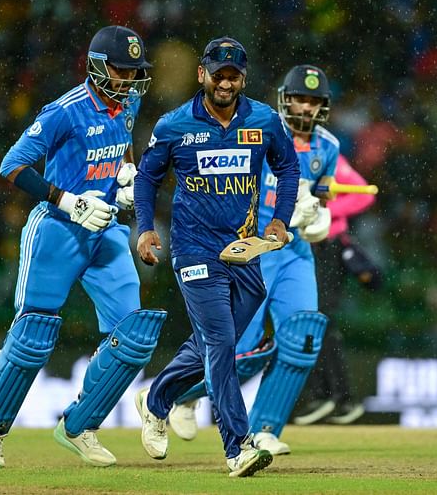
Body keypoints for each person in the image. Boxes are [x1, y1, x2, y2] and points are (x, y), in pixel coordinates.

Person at [0, 26, 168, 468]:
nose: (132, 79)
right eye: (123, 69)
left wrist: (127, 178)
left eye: (137, 70)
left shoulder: (129, 101)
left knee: (134, 335)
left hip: (106, 229)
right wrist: (67, 200)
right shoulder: (65, 110)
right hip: (58, 228)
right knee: (33, 338)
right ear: (97, 67)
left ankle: (79, 426)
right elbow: (11, 164)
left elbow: (122, 149)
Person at [132, 37, 300, 477]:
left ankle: (156, 400)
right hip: (194, 249)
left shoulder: (264, 120)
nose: (226, 81)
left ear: (243, 78)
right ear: (202, 74)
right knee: (222, 344)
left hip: (245, 251)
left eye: (234, 74)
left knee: (210, 344)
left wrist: (280, 219)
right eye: (219, 73)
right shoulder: (173, 126)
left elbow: (288, 167)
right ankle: (236, 446)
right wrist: (145, 227)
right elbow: (147, 178)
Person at [165, 64, 339, 455]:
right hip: (250, 247)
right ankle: (179, 395)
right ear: (285, 98)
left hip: (294, 253)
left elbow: (321, 206)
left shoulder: (328, 146)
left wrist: (316, 217)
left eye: (314, 101)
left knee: (302, 338)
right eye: (300, 99)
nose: (307, 108)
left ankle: (264, 429)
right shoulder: (258, 128)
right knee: (241, 350)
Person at [293, 153, 378, 426]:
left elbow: (365, 194)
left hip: (327, 245)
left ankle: (332, 396)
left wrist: (325, 210)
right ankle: (333, 396)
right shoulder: (280, 148)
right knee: (306, 318)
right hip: (294, 246)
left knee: (319, 317)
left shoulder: (327, 153)